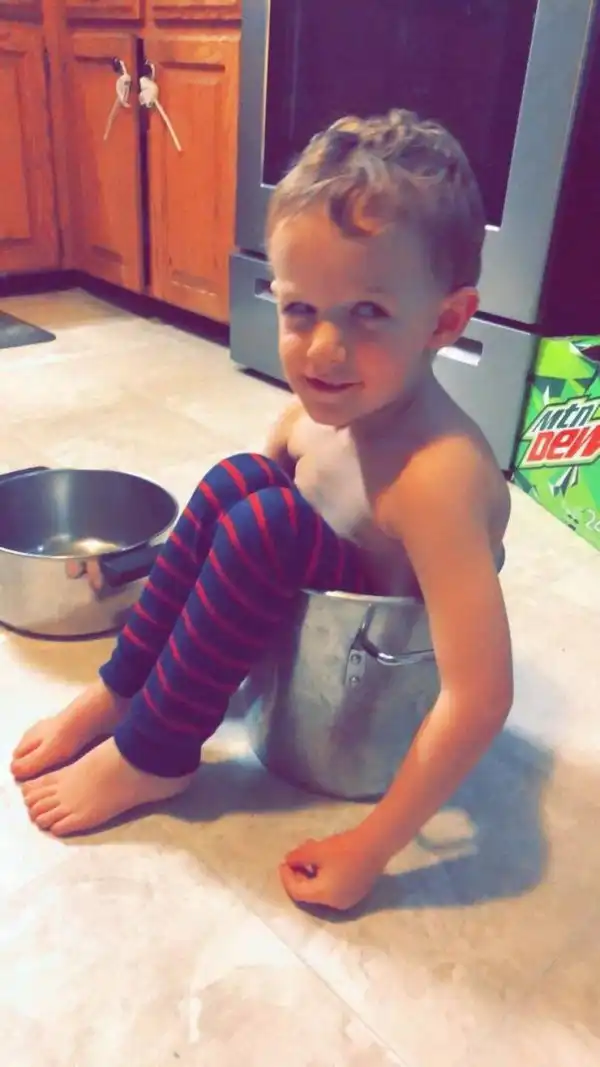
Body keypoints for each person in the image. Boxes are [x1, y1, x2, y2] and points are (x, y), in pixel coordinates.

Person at [11, 110, 513, 911]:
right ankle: (123, 693)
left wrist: (371, 847)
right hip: (308, 612)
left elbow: (480, 696)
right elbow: (224, 539)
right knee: (236, 481)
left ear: (445, 321)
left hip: (364, 691)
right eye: (300, 309)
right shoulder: (313, 417)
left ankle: (155, 756)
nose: (322, 349)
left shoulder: (436, 478)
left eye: (368, 312)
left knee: (265, 525)